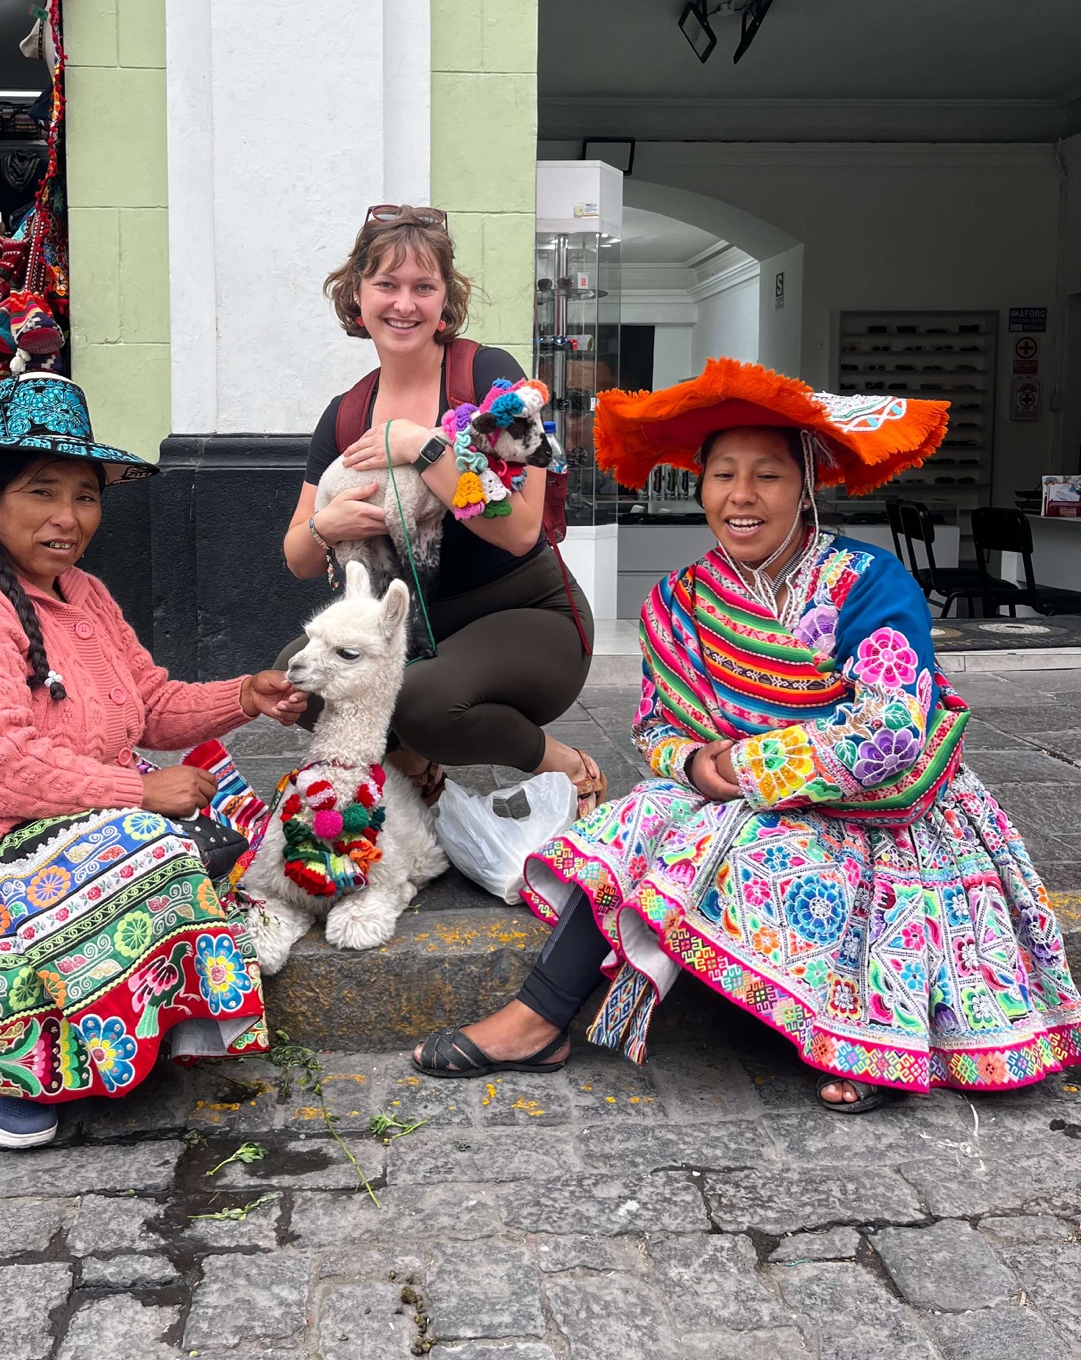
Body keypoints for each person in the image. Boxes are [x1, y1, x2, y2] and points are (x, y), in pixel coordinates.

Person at [413, 359, 1081, 1110]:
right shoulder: (682, 599)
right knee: (640, 816)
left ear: (806, 488)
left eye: (766, 475)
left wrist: (757, 763)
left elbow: (893, 727)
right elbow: (656, 726)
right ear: (700, 486)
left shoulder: (868, 582)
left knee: (759, 849)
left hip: (885, 809)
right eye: (723, 474)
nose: (741, 496)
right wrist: (696, 762)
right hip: (743, 796)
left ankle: (872, 1040)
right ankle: (540, 1019)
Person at [0, 373, 305, 1149]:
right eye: (43, 493)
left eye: (86, 495)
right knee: (155, 849)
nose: (69, 518)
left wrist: (247, 694)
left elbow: (152, 705)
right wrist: (136, 793)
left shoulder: (85, 594)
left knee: (229, 809)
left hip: (54, 817)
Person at [280, 204, 601, 812]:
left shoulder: (487, 376)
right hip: (423, 619)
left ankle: (567, 766)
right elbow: (297, 556)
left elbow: (521, 531)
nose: (404, 303)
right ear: (357, 297)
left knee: (421, 699)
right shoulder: (344, 413)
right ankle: (414, 763)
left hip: (528, 609)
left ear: (444, 301)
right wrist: (326, 526)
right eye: (386, 285)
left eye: (423, 287)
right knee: (306, 679)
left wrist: (421, 445)